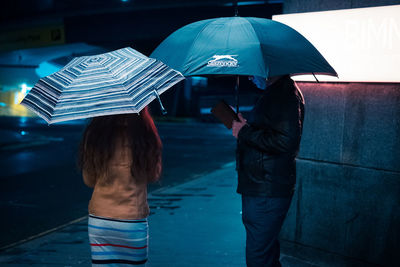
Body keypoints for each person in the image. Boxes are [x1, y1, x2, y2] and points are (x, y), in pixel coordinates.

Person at [232, 75, 305, 267]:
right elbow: (272, 131)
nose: (250, 76)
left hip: (266, 189)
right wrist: (246, 126)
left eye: (255, 71)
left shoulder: (284, 94)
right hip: (263, 186)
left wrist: (244, 132)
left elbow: (285, 141)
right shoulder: (278, 92)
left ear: (270, 68)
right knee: (265, 252)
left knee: (259, 256)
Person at [78, 107, 162, 266]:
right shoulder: (146, 134)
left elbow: (89, 180)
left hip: (100, 220)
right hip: (132, 221)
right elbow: (153, 176)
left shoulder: (95, 135)